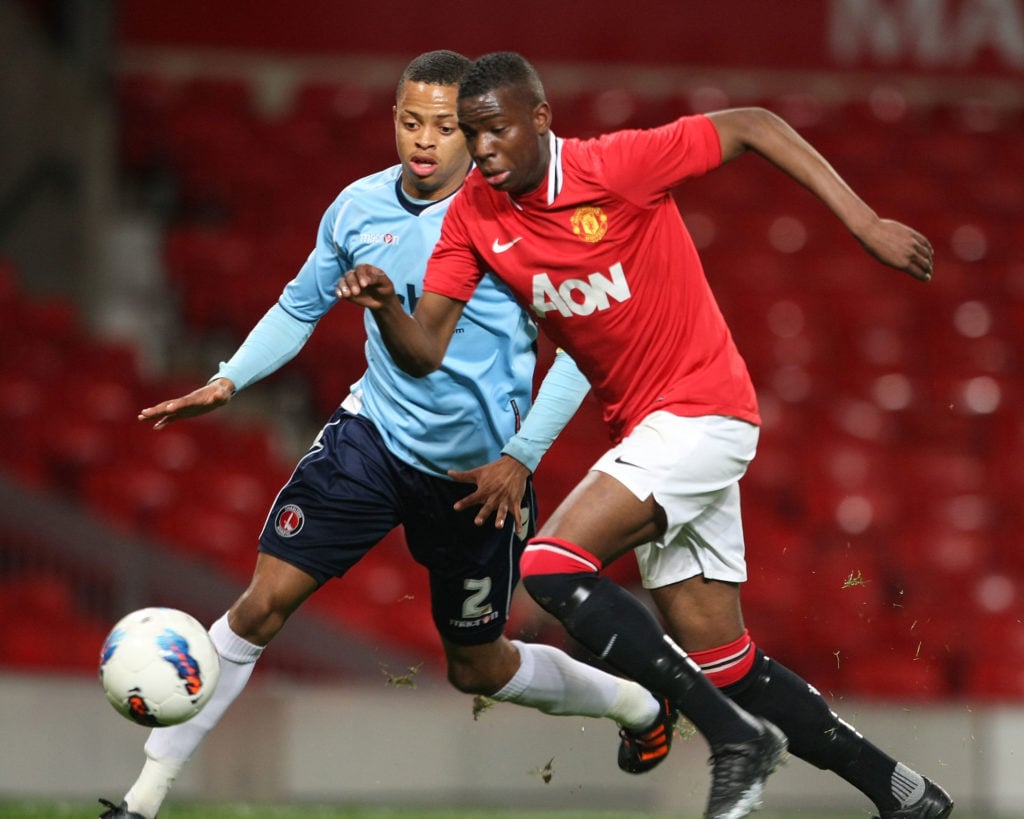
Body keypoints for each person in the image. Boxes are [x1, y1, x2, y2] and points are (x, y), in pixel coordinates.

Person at [337, 51, 955, 819]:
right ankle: (903, 792)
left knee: (553, 565)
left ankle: (735, 741)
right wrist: (383, 307)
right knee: (728, 664)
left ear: (540, 119)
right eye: (471, 134)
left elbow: (754, 125)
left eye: (495, 130)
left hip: (704, 407)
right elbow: (425, 348)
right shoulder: (474, 216)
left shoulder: (615, 166)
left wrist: (864, 223)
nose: (483, 148)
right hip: (650, 428)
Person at [98, 50, 676, 819]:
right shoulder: (355, 209)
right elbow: (300, 305)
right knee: (261, 604)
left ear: (473, 133)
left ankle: (639, 705)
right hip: (371, 439)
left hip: (478, 480)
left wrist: (520, 457)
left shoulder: (517, 222)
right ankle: (143, 800)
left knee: (477, 668)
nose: (425, 140)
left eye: (444, 126)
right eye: (411, 121)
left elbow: (582, 350)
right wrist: (229, 378)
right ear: (393, 121)